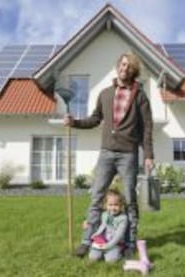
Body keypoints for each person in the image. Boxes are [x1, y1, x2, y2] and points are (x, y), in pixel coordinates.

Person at [64, 52, 155, 258]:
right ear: (118, 66)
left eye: (129, 66)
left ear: (134, 71)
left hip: (128, 154)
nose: (125, 69)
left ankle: (130, 242)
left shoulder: (140, 96)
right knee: (96, 196)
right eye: (122, 65)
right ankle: (87, 241)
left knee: (130, 199)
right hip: (106, 153)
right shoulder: (105, 94)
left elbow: (147, 127)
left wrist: (148, 153)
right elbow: (95, 119)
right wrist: (75, 122)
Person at [88, 189, 128, 262]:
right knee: (93, 257)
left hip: (116, 243)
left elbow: (118, 235)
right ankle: (101, 252)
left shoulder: (123, 218)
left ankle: (119, 253)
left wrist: (109, 245)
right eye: (110, 205)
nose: (113, 208)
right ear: (106, 205)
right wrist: (96, 234)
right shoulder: (105, 214)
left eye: (116, 205)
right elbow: (103, 226)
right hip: (104, 240)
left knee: (110, 260)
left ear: (121, 205)